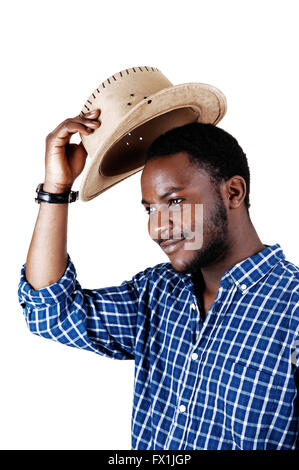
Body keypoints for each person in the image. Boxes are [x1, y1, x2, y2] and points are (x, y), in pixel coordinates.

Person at [18, 108, 299, 450]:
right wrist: (56, 189)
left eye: (175, 201)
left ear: (234, 193)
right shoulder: (158, 293)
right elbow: (50, 311)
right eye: (150, 209)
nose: (157, 228)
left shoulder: (292, 310)